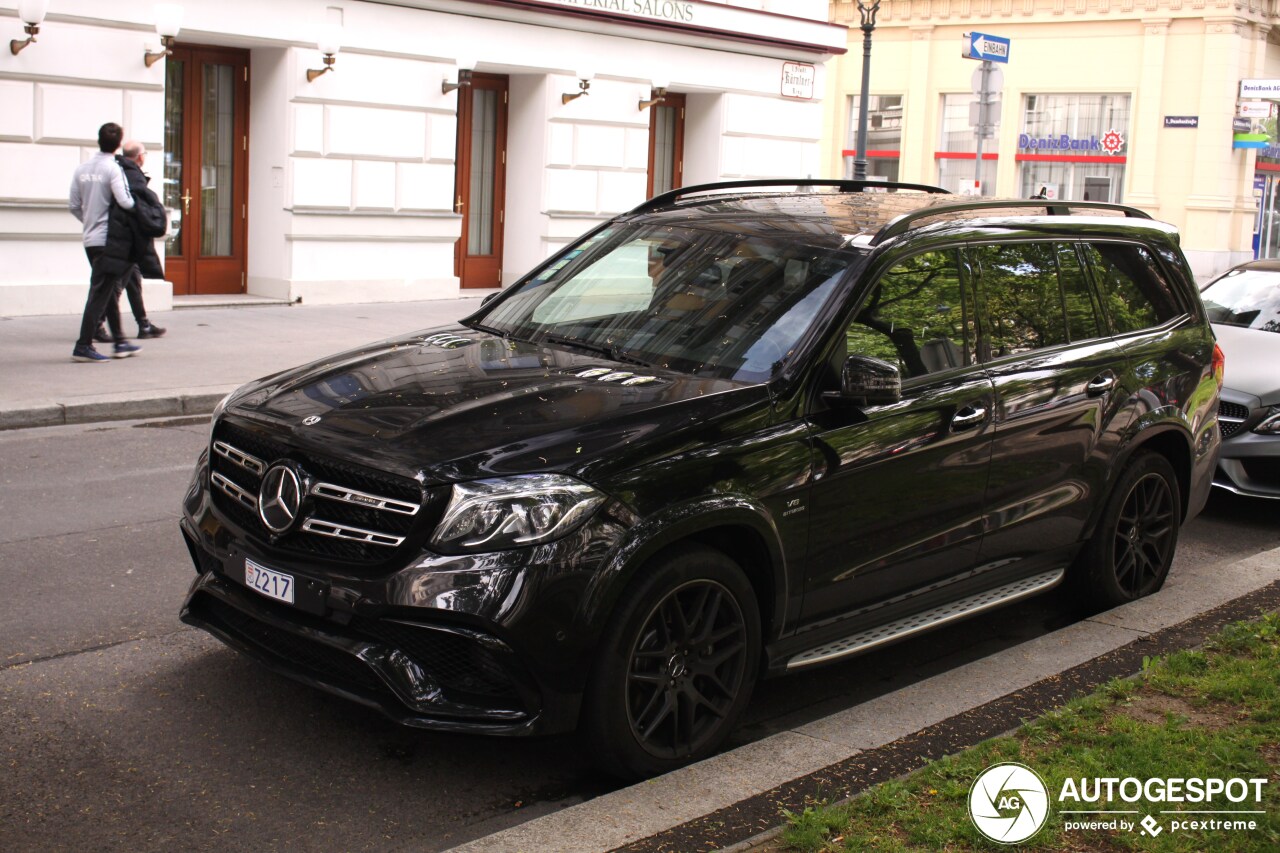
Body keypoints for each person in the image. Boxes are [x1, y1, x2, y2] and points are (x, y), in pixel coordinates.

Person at [68, 123, 141, 362]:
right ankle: (83, 345)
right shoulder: (112, 168)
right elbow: (126, 202)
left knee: (107, 289)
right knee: (100, 292)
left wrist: (89, 220)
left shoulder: (82, 169)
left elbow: (74, 206)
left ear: (99, 140)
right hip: (109, 240)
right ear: (118, 144)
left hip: (90, 239)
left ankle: (119, 341)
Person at [98, 140, 166, 338]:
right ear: (139, 156)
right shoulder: (131, 174)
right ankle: (98, 325)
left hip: (125, 237)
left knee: (132, 280)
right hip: (127, 238)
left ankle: (143, 324)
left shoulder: (120, 169)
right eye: (144, 153)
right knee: (116, 284)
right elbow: (134, 205)